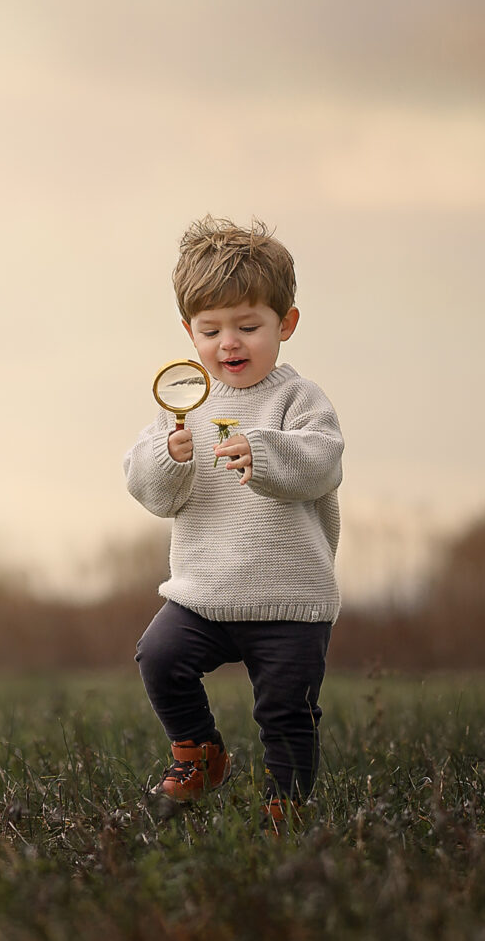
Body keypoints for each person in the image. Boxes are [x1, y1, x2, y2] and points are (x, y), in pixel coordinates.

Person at [122, 216, 343, 826]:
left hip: (289, 597)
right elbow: (149, 489)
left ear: (286, 324)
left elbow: (324, 462)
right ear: (188, 331)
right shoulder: (184, 402)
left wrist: (265, 452)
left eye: (249, 326)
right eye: (211, 329)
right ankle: (200, 751)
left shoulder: (299, 400)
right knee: (159, 656)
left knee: (287, 711)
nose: (230, 344)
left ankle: (287, 807)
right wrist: (168, 458)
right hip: (204, 592)